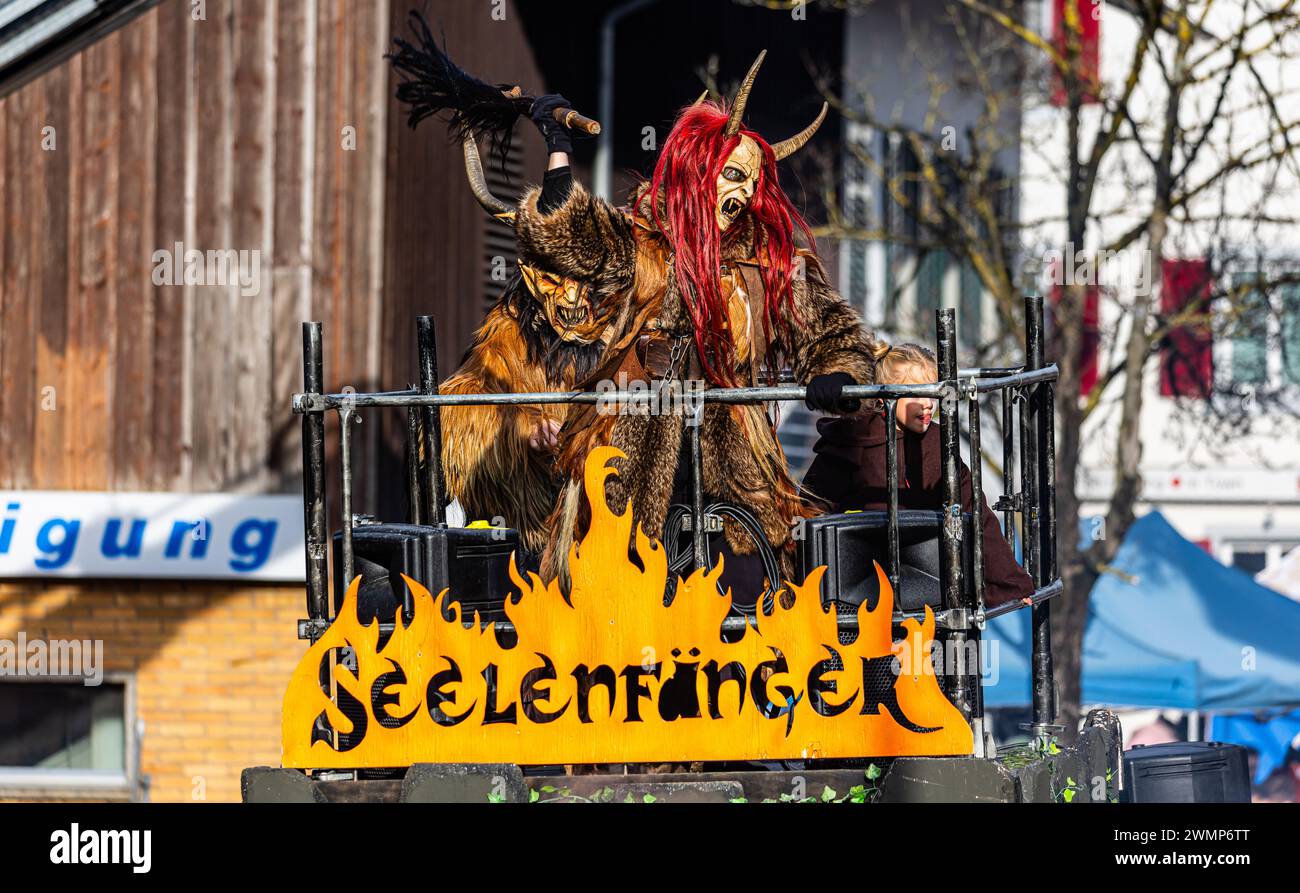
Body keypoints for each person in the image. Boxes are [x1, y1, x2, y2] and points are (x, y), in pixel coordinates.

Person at [514, 53, 877, 599]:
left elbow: (832, 330)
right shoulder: (638, 242)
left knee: (744, 623)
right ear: (698, 168)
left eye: (752, 184)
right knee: (624, 632)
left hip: (737, 482)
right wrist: (560, 153)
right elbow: (568, 239)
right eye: (734, 175)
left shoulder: (766, 262)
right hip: (628, 472)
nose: (744, 195)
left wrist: (840, 373)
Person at [801, 342, 1034, 611]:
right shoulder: (851, 442)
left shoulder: (939, 444)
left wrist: (1009, 582)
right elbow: (810, 510)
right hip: (854, 596)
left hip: (930, 593)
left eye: (931, 393)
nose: (927, 405)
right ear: (885, 396)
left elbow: (975, 513)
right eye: (915, 394)